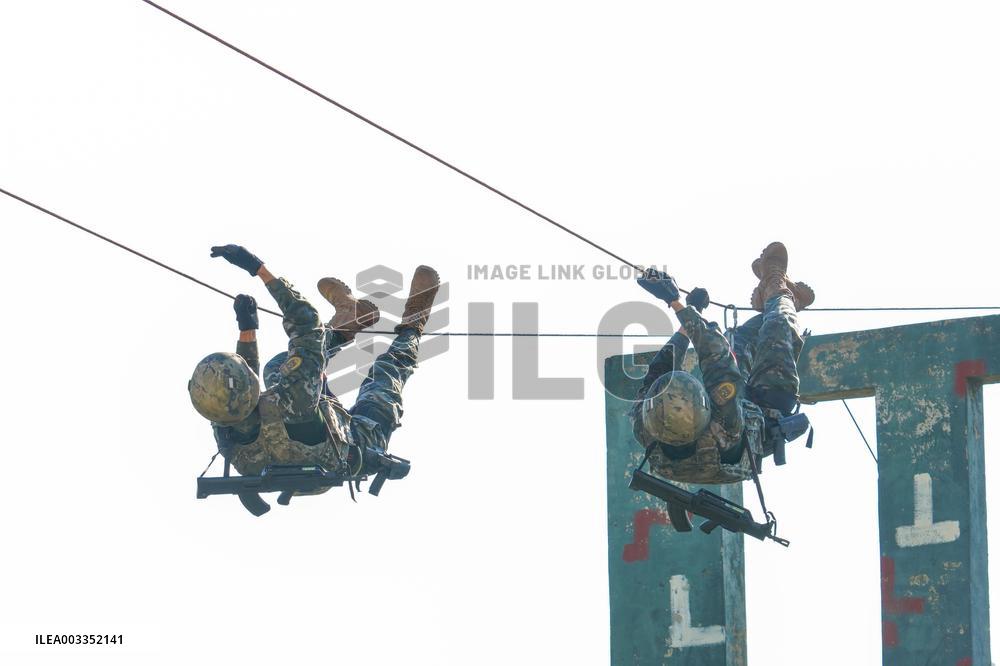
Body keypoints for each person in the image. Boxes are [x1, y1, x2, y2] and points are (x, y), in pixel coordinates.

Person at [188, 244, 440, 486]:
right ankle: (413, 324)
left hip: (305, 435)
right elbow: (307, 325)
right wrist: (258, 268)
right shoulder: (294, 398)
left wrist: (247, 330)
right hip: (359, 441)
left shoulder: (224, 418)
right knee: (384, 373)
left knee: (275, 369)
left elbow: (248, 389)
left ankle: (349, 319)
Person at [629, 242, 813, 484]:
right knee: (779, 325)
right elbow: (715, 352)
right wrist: (676, 302)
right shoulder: (724, 421)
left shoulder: (645, 421)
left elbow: (661, 366)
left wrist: (692, 310)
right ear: (705, 408)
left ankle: (773, 299)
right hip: (755, 422)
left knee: (741, 339)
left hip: (724, 427)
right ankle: (778, 285)